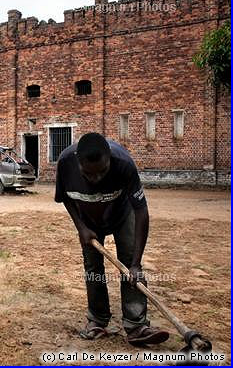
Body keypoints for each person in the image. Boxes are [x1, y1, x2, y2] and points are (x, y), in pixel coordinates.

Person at [54, 132, 169, 345]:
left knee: (130, 268)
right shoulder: (65, 163)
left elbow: (141, 211)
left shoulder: (124, 163)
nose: (97, 179)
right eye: (89, 174)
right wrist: (81, 228)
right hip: (88, 222)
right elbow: (64, 198)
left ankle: (136, 326)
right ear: (78, 163)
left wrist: (135, 264)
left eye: (103, 171)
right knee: (93, 268)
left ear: (110, 160)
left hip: (122, 215)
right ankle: (97, 320)